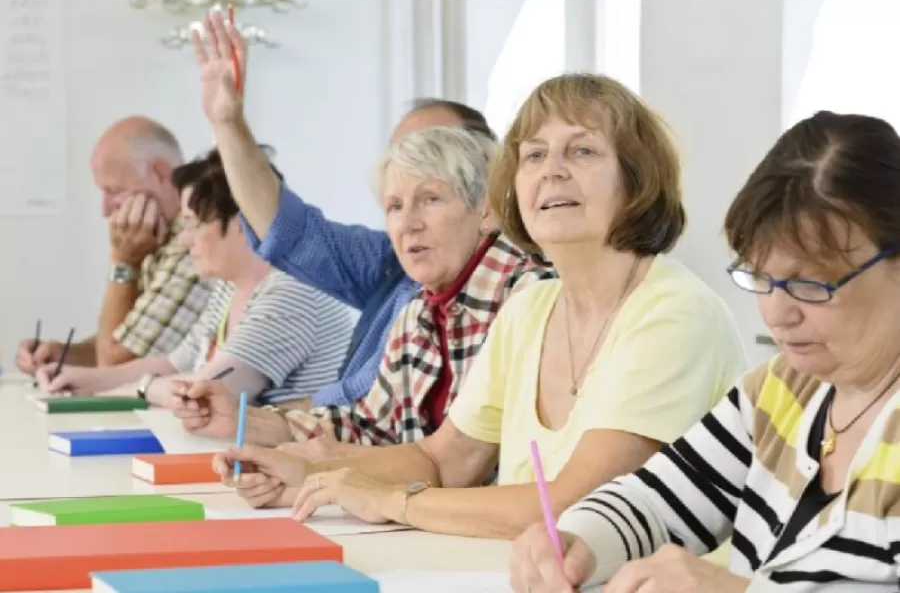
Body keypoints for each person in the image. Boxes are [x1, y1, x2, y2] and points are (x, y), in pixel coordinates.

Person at [198, 73, 746, 540]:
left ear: (637, 180)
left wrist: (393, 501)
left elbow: (572, 507)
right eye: (533, 154)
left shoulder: (673, 312)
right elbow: (444, 459)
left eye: (581, 150)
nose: (551, 170)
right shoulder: (532, 307)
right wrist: (305, 470)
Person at [508, 110, 900, 593]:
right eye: (760, 277)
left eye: (809, 282)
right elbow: (655, 501)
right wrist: (577, 539)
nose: (777, 313)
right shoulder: (781, 392)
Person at [172, 123, 556, 485]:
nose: (409, 224)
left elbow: (462, 468)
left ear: (485, 209)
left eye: (430, 199)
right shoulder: (418, 310)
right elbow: (370, 428)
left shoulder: (529, 296)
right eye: (394, 207)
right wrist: (244, 421)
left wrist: (310, 471)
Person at [191, 10, 496, 408]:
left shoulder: (512, 287)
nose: (408, 169)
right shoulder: (392, 260)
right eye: (399, 161)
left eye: (432, 158)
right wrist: (227, 124)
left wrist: (280, 422)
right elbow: (288, 232)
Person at [36, 149, 353, 408]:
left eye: (194, 224)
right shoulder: (230, 286)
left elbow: (203, 395)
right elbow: (174, 364)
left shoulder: (290, 291)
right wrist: (83, 380)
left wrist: (138, 388)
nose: (185, 240)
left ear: (242, 222)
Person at [15, 116, 211, 372]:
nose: (105, 210)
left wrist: (122, 261)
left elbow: (116, 366)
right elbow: (131, 340)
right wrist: (61, 354)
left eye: (115, 190)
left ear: (160, 174)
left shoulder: (193, 247)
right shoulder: (157, 237)